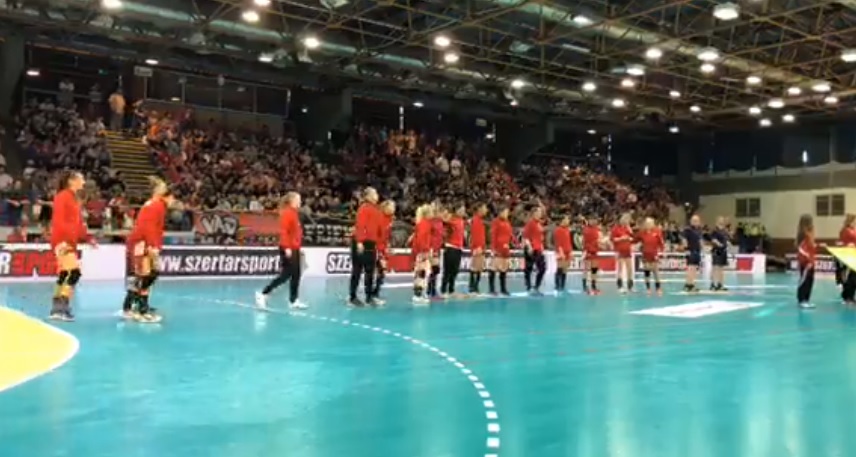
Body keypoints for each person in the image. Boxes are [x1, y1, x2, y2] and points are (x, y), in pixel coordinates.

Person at [122, 177, 176, 323]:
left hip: (141, 242)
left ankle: (131, 306)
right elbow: (149, 228)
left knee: (144, 276)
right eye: (172, 197)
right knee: (146, 275)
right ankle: (141, 310)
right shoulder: (156, 206)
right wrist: (152, 246)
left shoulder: (154, 205)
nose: (174, 201)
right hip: (141, 243)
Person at [49, 171, 94, 321]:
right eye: (81, 179)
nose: (84, 182)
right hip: (63, 241)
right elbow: (59, 221)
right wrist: (65, 241)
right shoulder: (63, 196)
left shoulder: (73, 198)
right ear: (71, 181)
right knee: (74, 273)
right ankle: (62, 306)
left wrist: (87, 238)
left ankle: (56, 309)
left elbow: (78, 223)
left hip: (68, 241)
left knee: (64, 274)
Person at [256, 192, 306, 310]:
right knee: (286, 275)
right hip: (288, 248)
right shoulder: (287, 213)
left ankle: (293, 300)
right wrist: (287, 247)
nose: (300, 201)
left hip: (295, 248)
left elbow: (295, 232)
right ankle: (264, 293)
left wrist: (298, 247)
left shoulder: (294, 213)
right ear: (292, 200)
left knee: (296, 274)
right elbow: (284, 231)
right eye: (298, 199)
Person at [349, 187, 382, 307]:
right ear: (368, 196)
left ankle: (369, 297)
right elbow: (360, 225)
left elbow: (378, 229)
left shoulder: (376, 210)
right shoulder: (364, 208)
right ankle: (353, 297)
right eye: (375, 193)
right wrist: (359, 242)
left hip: (371, 243)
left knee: (370, 271)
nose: (377, 195)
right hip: (362, 242)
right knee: (357, 270)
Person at [441, 204, 466, 297]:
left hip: (459, 248)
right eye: (461, 210)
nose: (463, 212)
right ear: (456, 211)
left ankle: (451, 290)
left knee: (455, 271)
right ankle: (443, 290)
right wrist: (446, 214)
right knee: (448, 270)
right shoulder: (451, 219)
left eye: (464, 210)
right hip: (450, 248)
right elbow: (443, 220)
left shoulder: (461, 221)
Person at [411, 204, 434, 305]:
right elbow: (421, 238)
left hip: (422, 252)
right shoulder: (424, 224)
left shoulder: (423, 223)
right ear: (427, 213)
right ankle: (417, 295)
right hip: (422, 252)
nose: (433, 214)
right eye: (431, 212)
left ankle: (419, 294)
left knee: (422, 273)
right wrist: (424, 250)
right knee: (421, 273)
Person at [796, 214, 819, 309]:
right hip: (806, 263)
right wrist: (808, 260)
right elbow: (802, 250)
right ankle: (802, 300)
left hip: (811, 262)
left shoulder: (810, 234)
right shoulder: (803, 235)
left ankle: (806, 299)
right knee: (804, 281)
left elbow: (810, 248)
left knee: (810, 281)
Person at [522, 206, 546, 295]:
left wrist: (542, 246)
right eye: (539, 212)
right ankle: (528, 287)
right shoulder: (530, 223)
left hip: (538, 248)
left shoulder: (539, 224)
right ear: (534, 213)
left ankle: (536, 287)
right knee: (529, 268)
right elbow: (525, 236)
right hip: (531, 248)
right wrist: (529, 247)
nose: (540, 214)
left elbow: (540, 236)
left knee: (542, 268)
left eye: (540, 212)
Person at [489, 207, 513, 296]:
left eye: (507, 212)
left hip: (505, 249)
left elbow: (510, 235)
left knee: (504, 269)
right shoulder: (496, 222)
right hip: (498, 249)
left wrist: (514, 244)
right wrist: (493, 249)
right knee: (493, 269)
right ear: (500, 212)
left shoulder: (508, 223)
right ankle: (492, 289)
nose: (507, 214)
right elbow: (493, 235)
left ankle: (503, 289)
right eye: (505, 212)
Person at [374, 200, 395, 300]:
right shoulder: (379, 217)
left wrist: (388, 245)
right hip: (377, 247)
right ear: (386, 207)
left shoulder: (390, 219)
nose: (394, 209)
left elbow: (387, 234)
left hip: (383, 248)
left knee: (382, 271)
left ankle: (376, 292)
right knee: (380, 270)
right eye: (392, 206)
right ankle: (374, 294)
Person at [637, 217, 664, 295]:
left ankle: (658, 288)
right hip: (645, 255)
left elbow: (661, 243)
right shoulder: (642, 233)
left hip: (654, 255)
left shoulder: (657, 232)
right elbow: (635, 239)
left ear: (653, 224)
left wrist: (661, 252)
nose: (648, 224)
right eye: (647, 223)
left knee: (656, 272)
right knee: (647, 272)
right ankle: (648, 289)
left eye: (650, 223)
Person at [611, 213, 634, 293]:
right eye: (625, 219)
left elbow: (633, 237)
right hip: (619, 250)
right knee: (620, 268)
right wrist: (621, 238)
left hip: (627, 250)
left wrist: (630, 231)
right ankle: (620, 287)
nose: (627, 221)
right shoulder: (615, 228)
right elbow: (613, 239)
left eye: (628, 219)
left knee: (629, 269)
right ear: (621, 219)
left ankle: (630, 287)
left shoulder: (628, 228)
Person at [468, 203, 488, 294]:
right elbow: (475, 235)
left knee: (478, 268)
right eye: (484, 208)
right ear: (479, 209)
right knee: (475, 268)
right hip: (478, 248)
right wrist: (477, 247)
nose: (486, 210)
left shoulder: (479, 220)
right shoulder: (476, 220)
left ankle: (474, 286)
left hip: (480, 247)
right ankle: (473, 287)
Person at [427, 205, 445, 299]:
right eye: (441, 212)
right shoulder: (431, 222)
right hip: (432, 249)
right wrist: (432, 249)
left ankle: (431, 290)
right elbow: (429, 236)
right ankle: (431, 291)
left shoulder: (440, 222)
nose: (443, 214)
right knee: (434, 269)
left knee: (436, 270)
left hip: (437, 249)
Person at [681, 215, 703, 293]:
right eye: (694, 220)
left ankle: (692, 284)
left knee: (694, 268)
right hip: (691, 250)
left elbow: (700, 240)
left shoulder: (699, 230)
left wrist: (702, 247)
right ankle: (688, 284)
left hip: (697, 251)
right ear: (691, 221)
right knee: (690, 268)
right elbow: (684, 239)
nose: (695, 222)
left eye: (697, 221)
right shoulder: (687, 229)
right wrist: (686, 249)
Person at [838, 214, 856, 304]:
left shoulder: (853, 230)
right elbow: (842, 243)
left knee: (852, 276)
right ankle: (848, 296)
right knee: (851, 277)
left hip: (853, 256)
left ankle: (849, 296)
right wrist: (848, 245)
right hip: (848, 256)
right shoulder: (846, 231)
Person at [581, 216, 602, 295]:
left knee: (594, 269)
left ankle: (593, 285)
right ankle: (585, 286)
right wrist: (586, 250)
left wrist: (599, 244)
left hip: (594, 251)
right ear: (589, 220)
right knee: (586, 269)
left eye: (594, 220)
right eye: (592, 220)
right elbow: (584, 241)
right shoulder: (586, 229)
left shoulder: (596, 229)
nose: (593, 221)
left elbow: (597, 240)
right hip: (587, 251)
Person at [709, 217, 730, 291]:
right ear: (717, 221)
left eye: (722, 220)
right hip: (717, 250)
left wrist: (727, 243)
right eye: (720, 220)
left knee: (721, 268)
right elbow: (713, 239)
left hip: (723, 251)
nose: (721, 222)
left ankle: (720, 284)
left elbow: (726, 239)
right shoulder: (715, 230)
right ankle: (713, 284)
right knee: (715, 267)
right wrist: (719, 244)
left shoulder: (724, 231)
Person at [553, 216, 572, 293]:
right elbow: (558, 243)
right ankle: (557, 285)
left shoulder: (567, 230)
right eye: (567, 219)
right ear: (563, 220)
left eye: (568, 219)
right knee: (559, 268)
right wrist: (561, 253)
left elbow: (568, 242)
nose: (568, 221)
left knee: (565, 270)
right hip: (560, 252)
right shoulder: (558, 230)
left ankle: (562, 285)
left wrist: (570, 252)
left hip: (567, 253)